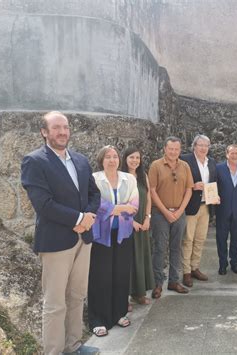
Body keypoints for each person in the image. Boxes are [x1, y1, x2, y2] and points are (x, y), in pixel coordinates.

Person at [21, 111, 100, 355]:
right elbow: (43, 204)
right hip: (56, 241)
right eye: (56, 128)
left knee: (76, 296)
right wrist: (78, 218)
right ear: (44, 132)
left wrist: (87, 218)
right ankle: (53, 351)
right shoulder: (34, 161)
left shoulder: (80, 160)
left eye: (65, 127)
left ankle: (73, 346)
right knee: (55, 303)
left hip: (83, 238)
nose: (62, 132)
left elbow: (94, 194)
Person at [88, 145, 139, 337]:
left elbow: (134, 205)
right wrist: (117, 208)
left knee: (120, 274)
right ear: (102, 160)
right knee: (100, 276)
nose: (112, 160)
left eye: (115, 156)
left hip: (123, 233)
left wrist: (115, 209)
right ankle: (98, 319)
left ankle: (119, 313)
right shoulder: (94, 178)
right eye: (108, 157)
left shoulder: (130, 178)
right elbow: (95, 203)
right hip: (101, 235)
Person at [148, 136, 194, 298]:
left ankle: (174, 281)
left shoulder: (185, 166)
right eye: (171, 149)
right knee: (160, 248)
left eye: (176, 149)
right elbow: (152, 190)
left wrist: (180, 211)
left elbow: (189, 189)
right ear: (165, 149)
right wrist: (166, 212)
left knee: (176, 247)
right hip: (160, 214)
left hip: (179, 213)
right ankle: (157, 283)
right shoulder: (156, 166)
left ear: (180, 150)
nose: (173, 152)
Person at [180, 135, 217, 287]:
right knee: (188, 239)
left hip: (206, 206)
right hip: (190, 206)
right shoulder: (185, 160)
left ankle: (195, 267)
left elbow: (214, 183)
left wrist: (216, 196)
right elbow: (179, 181)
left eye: (206, 145)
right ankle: (186, 271)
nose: (203, 148)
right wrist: (193, 186)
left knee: (200, 239)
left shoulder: (212, 162)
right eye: (200, 145)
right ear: (194, 146)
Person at [121, 147, 155, 306]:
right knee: (127, 259)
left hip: (142, 222)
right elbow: (118, 201)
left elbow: (148, 198)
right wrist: (130, 221)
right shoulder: (120, 177)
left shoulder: (143, 176)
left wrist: (147, 218)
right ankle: (124, 297)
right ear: (125, 158)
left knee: (141, 256)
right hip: (125, 222)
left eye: (137, 158)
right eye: (131, 157)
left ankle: (139, 293)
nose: (135, 160)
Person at [216, 144, 237, 275]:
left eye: (236, 153)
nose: (234, 155)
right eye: (232, 153)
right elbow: (214, 186)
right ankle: (222, 264)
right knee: (221, 238)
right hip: (222, 209)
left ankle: (234, 263)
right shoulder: (219, 168)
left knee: (236, 238)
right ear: (227, 154)